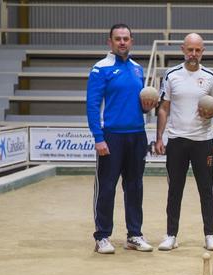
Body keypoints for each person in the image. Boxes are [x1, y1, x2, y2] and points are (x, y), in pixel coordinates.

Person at [87, 23, 158, 254]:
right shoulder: (101, 69)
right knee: (107, 187)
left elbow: (137, 105)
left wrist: (147, 108)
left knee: (135, 187)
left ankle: (134, 235)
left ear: (132, 41)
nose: (122, 42)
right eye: (117, 39)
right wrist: (99, 137)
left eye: (126, 38)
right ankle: (102, 236)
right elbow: (92, 106)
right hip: (112, 136)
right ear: (110, 42)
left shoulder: (137, 69)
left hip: (137, 135)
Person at [155, 33, 213, 251]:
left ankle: (210, 234)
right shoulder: (171, 75)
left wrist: (212, 112)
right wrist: (159, 138)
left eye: (198, 50)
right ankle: (171, 235)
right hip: (177, 140)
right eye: (190, 50)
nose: (193, 54)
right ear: (183, 49)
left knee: (206, 190)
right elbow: (163, 108)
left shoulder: (210, 76)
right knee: (175, 189)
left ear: (203, 51)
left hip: (203, 141)